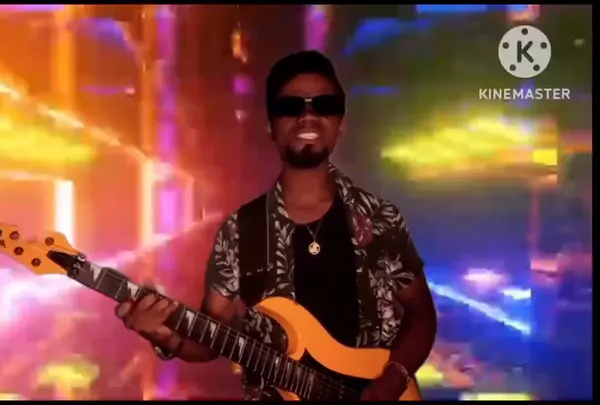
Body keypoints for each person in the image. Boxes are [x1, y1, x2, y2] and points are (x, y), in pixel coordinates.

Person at [115, 50, 437, 401]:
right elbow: (211, 340)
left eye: (324, 105)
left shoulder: (379, 218)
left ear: (340, 125)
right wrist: (164, 334)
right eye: (290, 106)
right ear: (271, 126)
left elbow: (421, 315)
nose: (308, 116)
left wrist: (392, 381)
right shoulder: (240, 231)